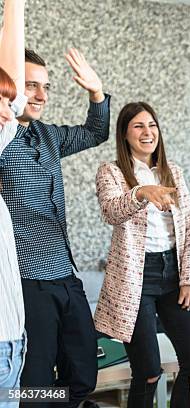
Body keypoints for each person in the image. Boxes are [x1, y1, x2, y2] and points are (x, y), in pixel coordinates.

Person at [0, 45, 110, 406]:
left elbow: (96, 132)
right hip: (26, 281)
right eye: (31, 85)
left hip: (65, 273)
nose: (42, 96)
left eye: (46, 87)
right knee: (34, 380)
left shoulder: (48, 137)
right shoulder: (1, 141)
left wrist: (95, 92)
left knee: (83, 371)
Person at [95, 102, 190, 408]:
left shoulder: (171, 172)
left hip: (174, 274)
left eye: (152, 125)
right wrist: (141, 192)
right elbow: (111, 211)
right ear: (125, 134)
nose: (148, 133)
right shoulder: (112, 171)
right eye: (138, 126)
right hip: (136, 279)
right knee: (147, 371)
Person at [0, 1, 26, 403]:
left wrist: (15, 5)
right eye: (1, 104)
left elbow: (16, 95)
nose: (11, 114)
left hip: (13, 346)